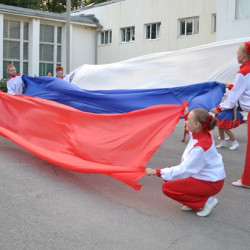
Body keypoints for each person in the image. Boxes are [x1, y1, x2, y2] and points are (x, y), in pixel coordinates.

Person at [145, 108, 226, 217]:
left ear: (197, 124)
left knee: (168, 188)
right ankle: (194, 202)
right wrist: (187, 113)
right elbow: (193, 129)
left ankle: (206, 201)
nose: (186, 121)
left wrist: (156, 172)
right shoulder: (203, 132)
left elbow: (184, 170)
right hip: (206, 178)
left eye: (188, 119)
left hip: (211, 182)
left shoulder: (200, 148)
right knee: (171, 181)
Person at [211, 41, 250, 188]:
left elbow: (233, 98)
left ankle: (247, 181)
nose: (236, 56)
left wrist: (219, 108)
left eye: (237, 54)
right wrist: (230, 85)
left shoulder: (243, 72)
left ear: (243, 55)